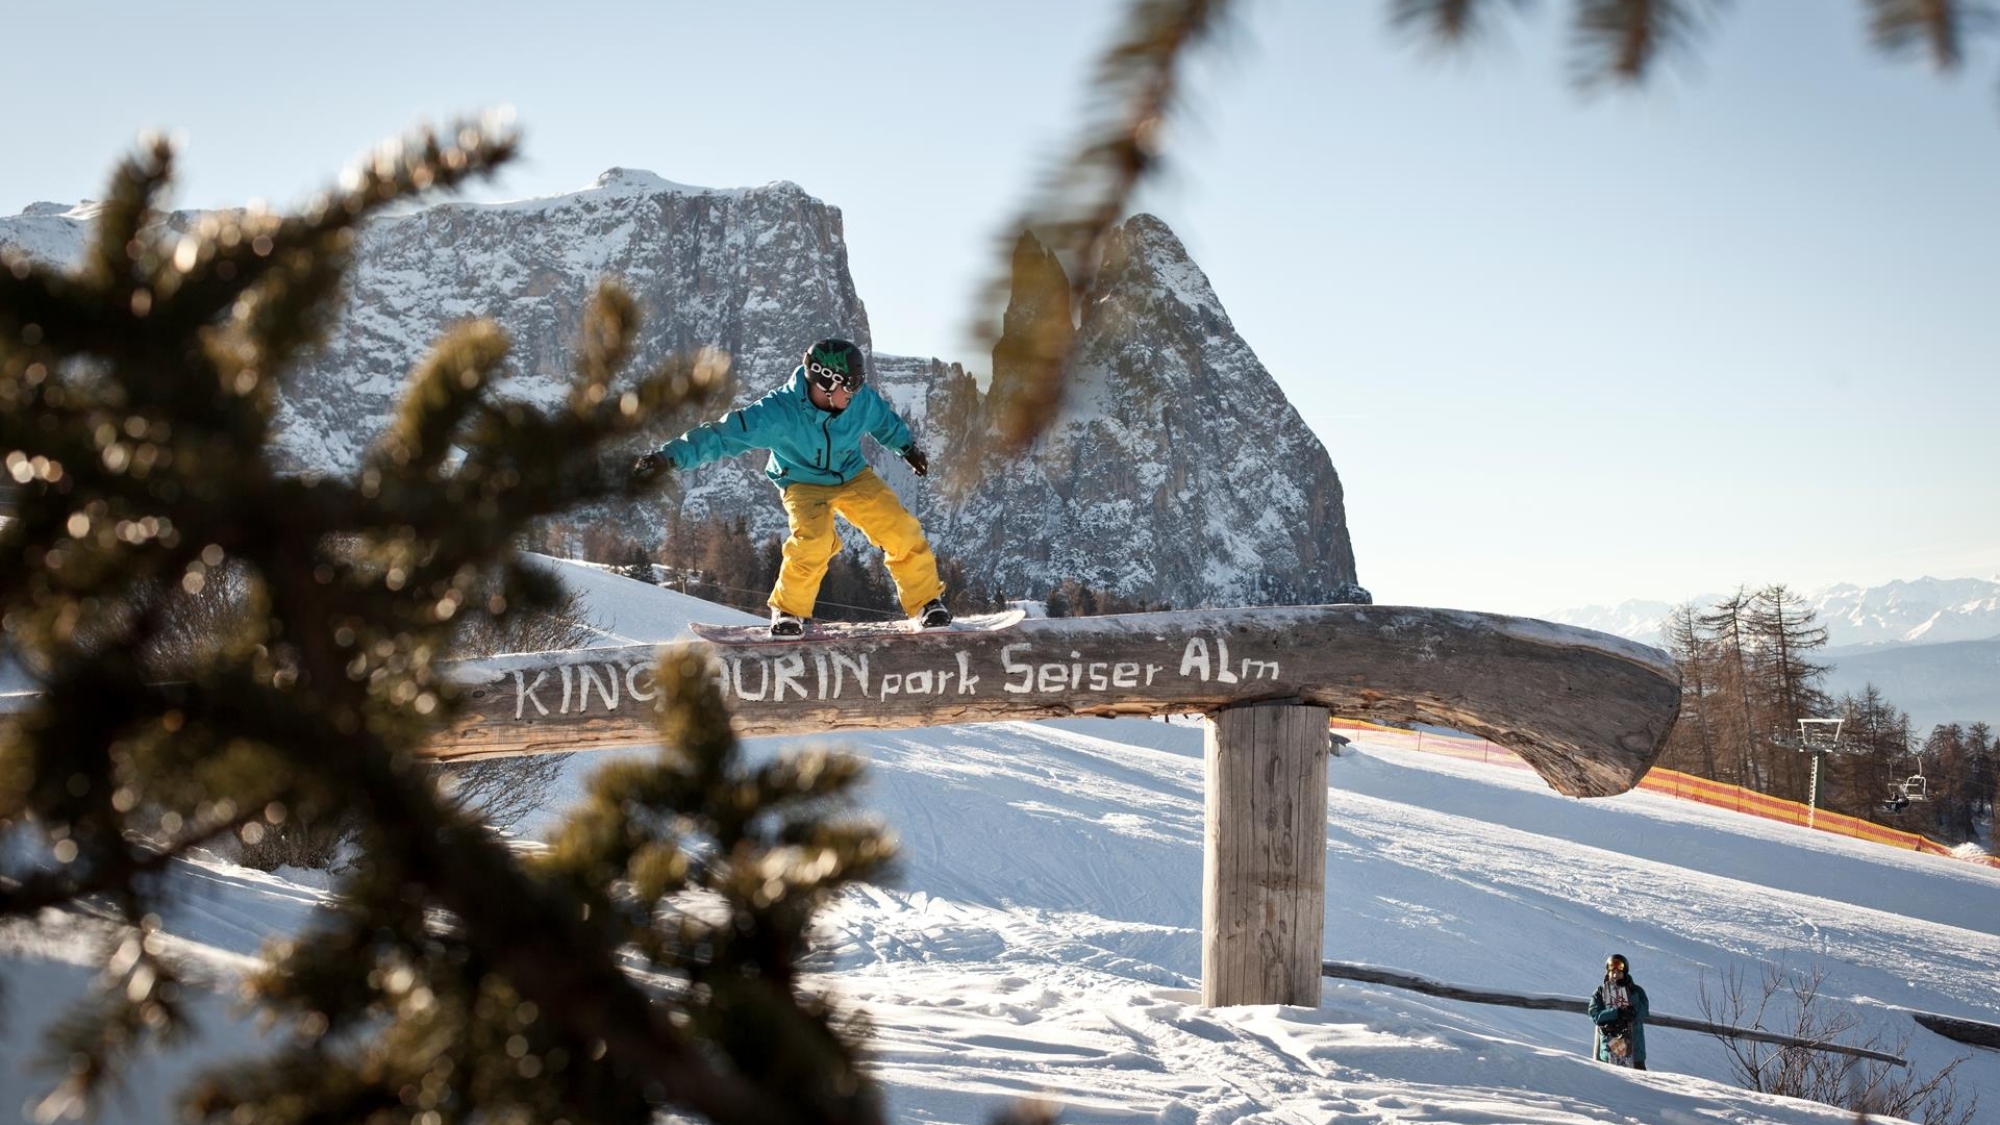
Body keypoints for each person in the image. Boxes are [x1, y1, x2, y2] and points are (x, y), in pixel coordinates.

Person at [632, 337, 950, 637]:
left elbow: (883, 421)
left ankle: (926, 603)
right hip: (802, 481)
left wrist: (907, 448)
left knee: (901, 529)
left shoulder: (859, 401)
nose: (855, 392)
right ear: (826, 382)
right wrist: (667, 457)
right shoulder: (778, 412)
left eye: (858, 383)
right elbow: (722, 436)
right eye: (850, 384)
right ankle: (788, 612)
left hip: (852, 475)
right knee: (815, 540)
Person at [1587, 953, 1650, 1069]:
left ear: (1625, 973)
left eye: (1619, 972)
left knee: (1639, 1080)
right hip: (1610, 1050)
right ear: (1608, 972)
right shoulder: (1600, 992)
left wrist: (1631, 1009)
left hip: (1635, 1052)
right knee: (1612, 1079)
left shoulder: (1636, 991)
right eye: (1612, 972)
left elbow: (1644, 1013)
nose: (1615, 975)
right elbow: (1595, 1015)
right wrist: (1617, 1012)